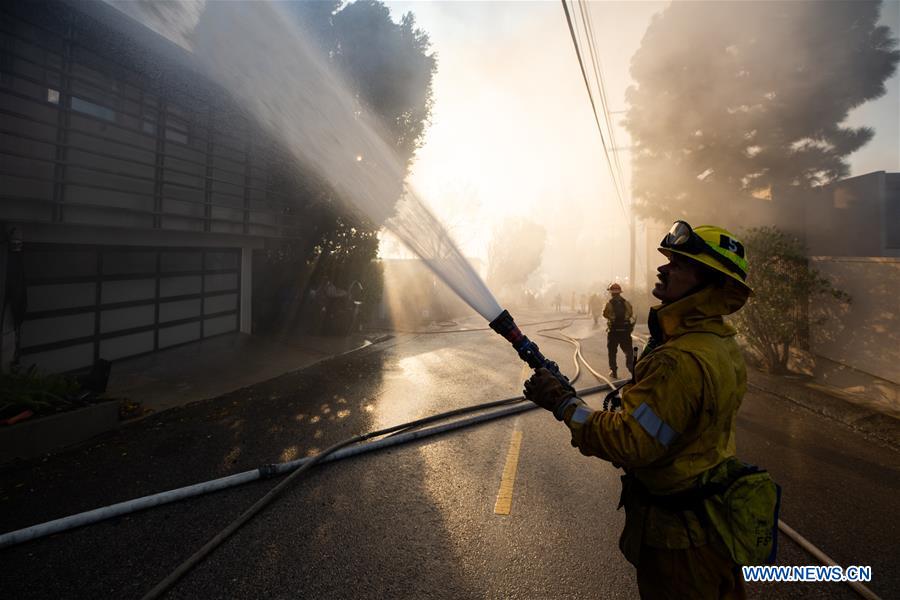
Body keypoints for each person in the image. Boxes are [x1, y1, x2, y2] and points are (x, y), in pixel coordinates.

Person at [524, 221, 778, 600]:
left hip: (680, 543)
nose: (663, 268)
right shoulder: (719, 344)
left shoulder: (677, 361)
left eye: (678, 264)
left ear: (707, 286)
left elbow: (631, 443)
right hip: (715, 526)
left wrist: (564, 404)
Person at [602, 282, 635, 379]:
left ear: (611, 293)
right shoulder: (626, 302)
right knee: (628, 351)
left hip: (613, 331)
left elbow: (605, 314)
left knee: (612, 352)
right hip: (625, 330)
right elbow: (630, 313)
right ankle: (631, 368)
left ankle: (613, 371)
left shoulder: (609, 303)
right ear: (620, 292)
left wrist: (612, 317)